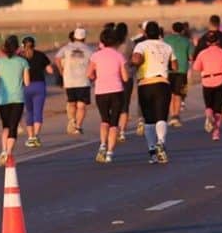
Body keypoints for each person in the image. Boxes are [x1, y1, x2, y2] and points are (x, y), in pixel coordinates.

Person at [130, 20, 176, 164]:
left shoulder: (141, 45)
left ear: (145, 33)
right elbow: (174, 66)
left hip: (145, 84)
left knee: (149, 120)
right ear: (159, 32)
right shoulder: (167, 46)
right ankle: (161, 142)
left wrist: (131, 63)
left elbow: (136, 59)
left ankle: (152, 152)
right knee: (161, 116)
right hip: (162, 83)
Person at [88, 24, 130, 163]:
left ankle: (102, 145)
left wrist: (96, 77)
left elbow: (89, 74)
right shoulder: (119, 56)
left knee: (104, 120)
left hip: (101, 91)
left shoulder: (95, 56)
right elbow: (125, 78)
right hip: (117, 91)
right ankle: (110, 153)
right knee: (114, 123)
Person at [0, 35, 30, 165]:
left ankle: (3, 151)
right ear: (17, 47)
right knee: (13, 127)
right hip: (17, 98)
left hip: (2, 98)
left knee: (6, 127)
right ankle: (8, 153)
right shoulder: (23, 62)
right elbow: (27, 82)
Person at [192, 30, 222, 141]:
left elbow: (196, 68)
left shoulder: (202, 53)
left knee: (208, 105)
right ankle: (216, 132)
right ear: (218, 41)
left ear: (207, 43)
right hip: (220, 80)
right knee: (218, 109)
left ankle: (208, 115)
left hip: (206, 81)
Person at [56, 27, 93, 135]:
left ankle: (72, 120)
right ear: (84, 37)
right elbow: (93, 62)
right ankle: (78, 126)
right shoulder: (89, 49)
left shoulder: (66, 48)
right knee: (81, 105)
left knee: (71, 102)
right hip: (83, 80)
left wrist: (61, 70)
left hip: (69, 80)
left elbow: (57, 58)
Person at [19, 35, 55, 147]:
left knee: (29, 112)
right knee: (38, 112)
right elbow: (50, 70)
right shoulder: (41, 55)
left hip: (25, 86)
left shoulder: (20, 57)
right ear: (34, 45)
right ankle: (36, 136)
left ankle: (30, 137)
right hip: (39, 86)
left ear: (22, 45)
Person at [165, 22, 193, 127]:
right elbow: (191, 57)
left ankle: (172, 115)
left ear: (172, 29)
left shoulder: (166, 40)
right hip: (182, 70)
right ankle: (176, 116)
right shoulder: (186, 41)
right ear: (182, 30)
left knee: (170, 94)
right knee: (179, 94)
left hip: (168, 70)